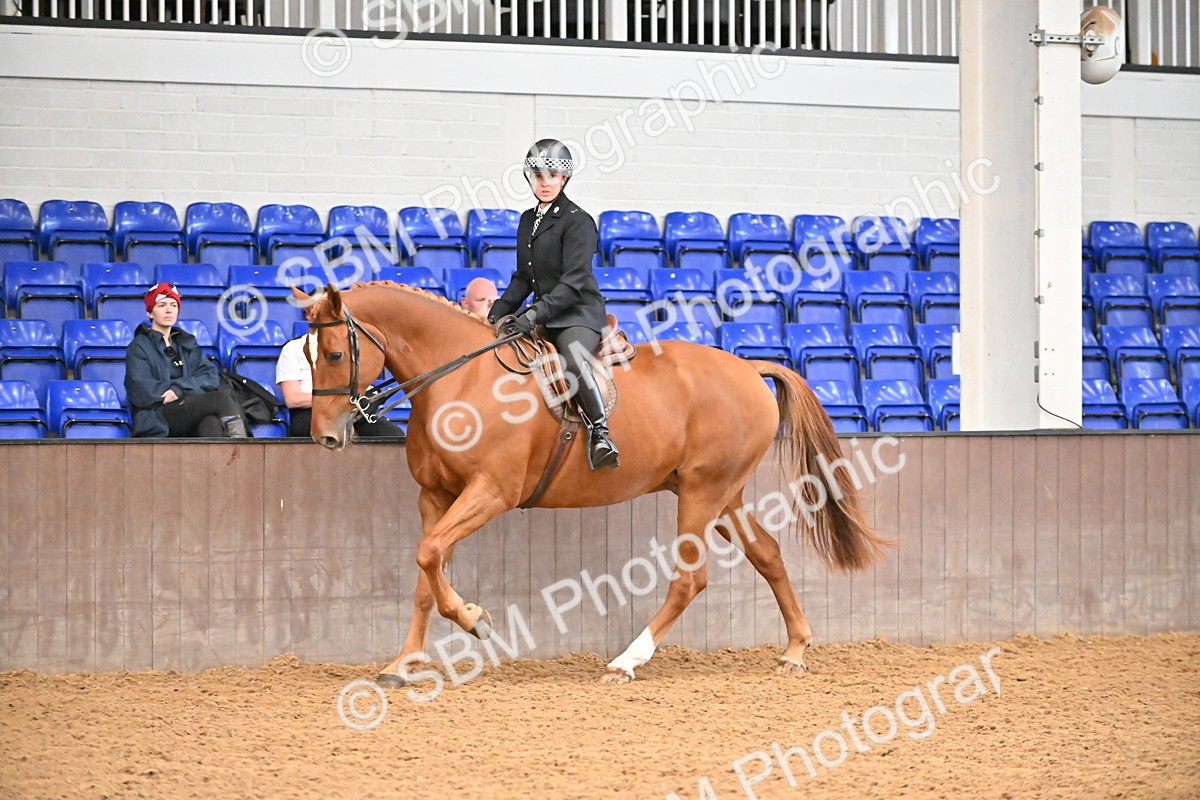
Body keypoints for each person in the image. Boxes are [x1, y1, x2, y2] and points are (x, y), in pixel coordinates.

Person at [487, 138, 619, 470]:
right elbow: (523, 277)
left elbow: (573, 282)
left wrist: (532, 315)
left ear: (564, 180)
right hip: (544, 313)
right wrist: (496, 313)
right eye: (538, 176)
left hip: (577, 314)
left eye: (551, 177)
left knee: (573, 359)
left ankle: (601, 434)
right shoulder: (527, 219)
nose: (544, 183)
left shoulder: (578, 221)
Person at [125, 283, 248, 438]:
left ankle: (221, 462)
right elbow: (142, 390)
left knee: (211, 423)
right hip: (156, 416)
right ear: (150, 312)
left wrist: (180, 388)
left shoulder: (186, 343)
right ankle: (243, 452)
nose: (169, 310)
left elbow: (210, 377)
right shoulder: (139, 346)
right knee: (220, 400)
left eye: (173, 305)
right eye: (162, 305)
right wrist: (186, 388)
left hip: (186, 409)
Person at [276, 300, 405, 439]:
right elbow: (293, 399)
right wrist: (337, 399)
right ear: (309, 315)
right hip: (312, 412)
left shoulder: (352, 347)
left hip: (353, 411)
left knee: (393, 435)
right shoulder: (293, 348)